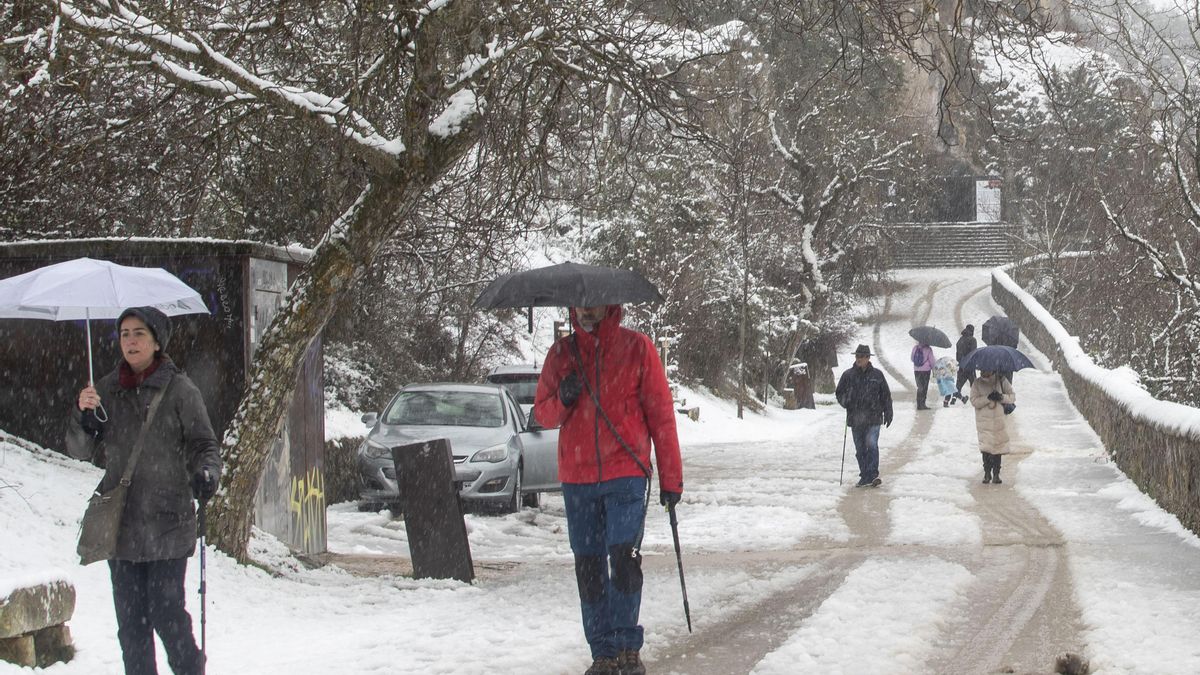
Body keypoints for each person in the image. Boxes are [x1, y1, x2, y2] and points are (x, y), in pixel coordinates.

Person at [66, 307, 221, 675]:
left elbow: (204, 443)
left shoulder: (180, 389)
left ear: (156, 341)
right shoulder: (104, 390)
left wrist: (206, 472)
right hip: (121, 524)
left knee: (167, 613)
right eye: (124, 334)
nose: (130, 341)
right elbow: (79, 451)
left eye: (138, 333)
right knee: (132, 625)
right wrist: (82, 417)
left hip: (169, 521)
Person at [533, 304, 683, 675]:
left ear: (610, 306)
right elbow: (542, 414)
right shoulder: (561, 354)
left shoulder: (637, 348)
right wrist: (563, 398)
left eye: (595, 304)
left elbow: (661, 415)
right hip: (578, 478)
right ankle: (602, 651)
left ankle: (627, 646)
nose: (587, 311)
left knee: (624, 559)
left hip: (625, 473)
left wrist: (671, 478)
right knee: (588, 567)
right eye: (581, 304)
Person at [836, 344, 894, 488]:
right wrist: (846, 401)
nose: (859, 359)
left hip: (874, 417)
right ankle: (865, 475)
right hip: (856, 418)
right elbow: (839, 393)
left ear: (868, 358)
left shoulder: (877, 375)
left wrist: (888, 411)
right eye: (857, 356)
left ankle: (873, 474)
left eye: (862, 356)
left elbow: (885, 395)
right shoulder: (848, 375)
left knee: (872, 444)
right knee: (860, 449)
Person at [970, 369, 1015, 484]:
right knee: (986, 448)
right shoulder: (977, 383)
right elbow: (974, 401)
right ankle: (986, 473)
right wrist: (987, 398)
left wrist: (1001, 397)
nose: (985, 372)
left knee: (998, 447)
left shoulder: (1001, 380)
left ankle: (996, 474)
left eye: (988, 369)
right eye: (983, 369)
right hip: (984, 422)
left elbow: (1012, 396)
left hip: (999, 421)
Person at [955, 324, 977, 402]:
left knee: (958, 385)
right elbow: (974, 353)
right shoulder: (973, 340)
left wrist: (960, 360)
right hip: (970, 365)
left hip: (962, 365)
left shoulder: (960, 340)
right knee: (974, 384)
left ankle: (953, 400)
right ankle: (977, 399)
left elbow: (957, 352)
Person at [910, 341, 935, 410]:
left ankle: (919, 404)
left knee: (919, 387)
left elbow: (912, 358)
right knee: (924, 387)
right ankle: (923, 404)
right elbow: (932, 361)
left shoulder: (915, 348)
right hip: (926, 371)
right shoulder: (928, 349)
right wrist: (933, 369)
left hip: (917, 370)